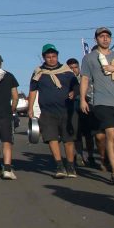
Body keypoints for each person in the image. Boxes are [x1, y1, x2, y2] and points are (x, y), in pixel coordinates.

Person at [79, 27, 114, 184]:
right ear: (96, 39)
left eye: (107, 36)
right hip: (102, 102)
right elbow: (85, 79)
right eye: (101, 36)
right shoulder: (90, 58)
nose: (105, 39)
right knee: (110, 133)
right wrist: (83, 99)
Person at [27, 44, 78, 178]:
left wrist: (74, 92)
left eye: (54, 56)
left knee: (68, 139)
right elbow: (32, 90)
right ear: (44, 57)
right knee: (51, 138)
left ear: (57, 56)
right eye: (48, 57)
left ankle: (71, 166)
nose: (51, 59)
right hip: (48, 112)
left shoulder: (66, 71)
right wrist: (30, 108)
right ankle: (59, 165)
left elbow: (76, 86)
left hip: (67, 110)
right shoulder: (38, 73)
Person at [66, 58, 96, 167]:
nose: (74, 70)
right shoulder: (67, 79)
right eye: (71, 68)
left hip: (86, 107)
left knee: (89, 134)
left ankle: (91, 156)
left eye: (75, 67)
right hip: (73, 108)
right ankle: (79, 155)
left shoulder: (85, 77)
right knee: (76, 134)